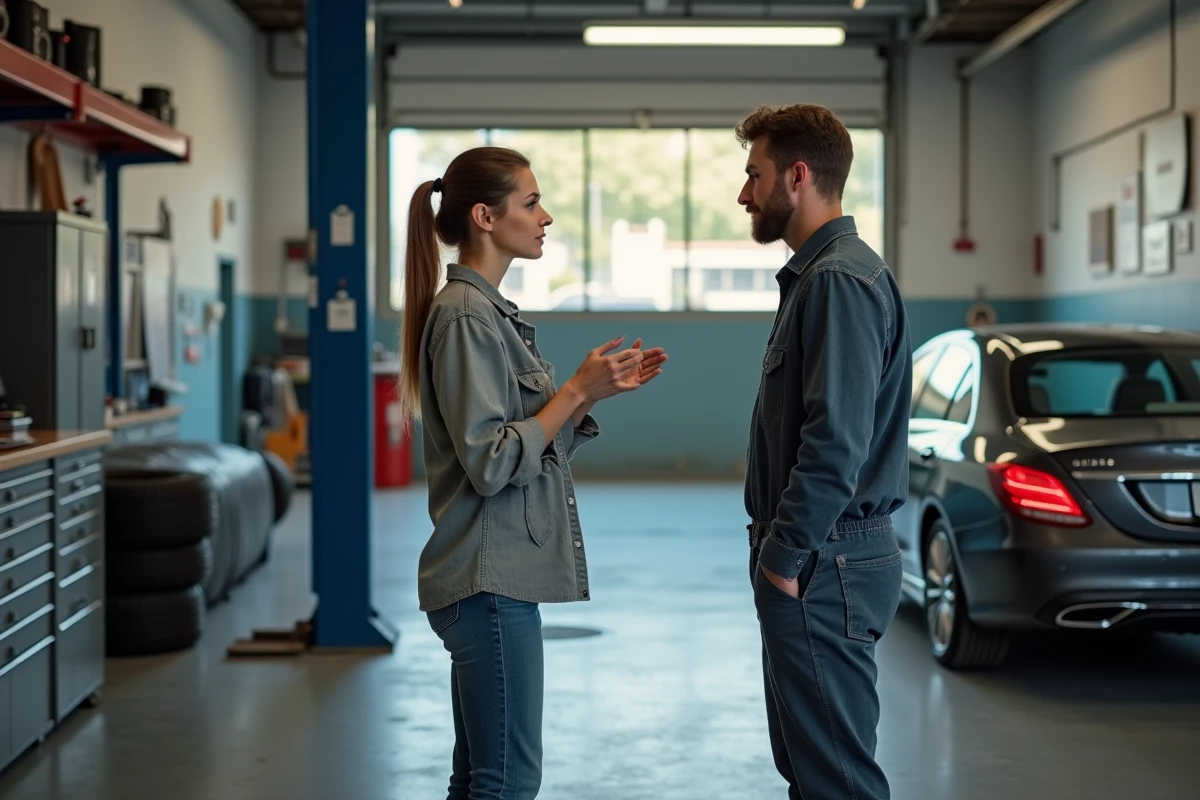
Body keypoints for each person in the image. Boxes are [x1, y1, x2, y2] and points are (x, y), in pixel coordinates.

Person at [400, 146, 667, 800]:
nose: (545, 217)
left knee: (479, 780)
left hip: (494, 579)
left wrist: (586, 398)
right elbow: (491, 463)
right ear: (486, 217)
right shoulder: (467, 317)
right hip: (488, 582)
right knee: (507, 783)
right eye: (531, 202)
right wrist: (572, 391)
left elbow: (531, 453)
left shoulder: (488, 314)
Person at [736, 104, 912, 800]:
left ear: (798, 176)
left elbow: (835, 442)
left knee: (836, 781)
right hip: (823, 557)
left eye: (755, 174)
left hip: (822, 560)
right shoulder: (825, 276)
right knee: (814, 773)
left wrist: (783, 559)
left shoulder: (838, 280)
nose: (744, 194)